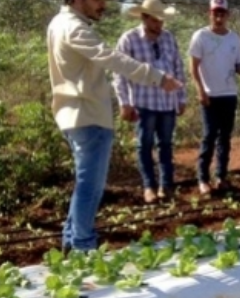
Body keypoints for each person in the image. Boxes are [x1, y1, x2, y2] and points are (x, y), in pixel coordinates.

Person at [47, 0, 182, 251]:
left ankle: (71, 239)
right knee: (91, 188)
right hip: (88, 116)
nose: (104, 4)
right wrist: (157, 77)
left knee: (84, 184)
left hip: (76, 116)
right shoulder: (74, 28)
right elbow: (111, 58)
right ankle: (82, 248)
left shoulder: (59, 23)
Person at [113, 0, 187, 203]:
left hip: (167, 102)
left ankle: (166, 186)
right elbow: (119, 74)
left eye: (161, 20)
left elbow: (178, 68)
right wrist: (124, 102)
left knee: (166, 144)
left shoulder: (169, 38)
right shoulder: (129, 39)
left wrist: (181, 97)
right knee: (144, 145)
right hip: (143, 103)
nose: (159, 24)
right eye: (155, 20)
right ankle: (148, 187)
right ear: (144, 17)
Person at [189, 0, 240, 195]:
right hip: (209, 94)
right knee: (209, 136)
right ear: (210, 14)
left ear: (227, 15)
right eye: (215, 13)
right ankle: (202, 178)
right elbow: (193, 67)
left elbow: (238, 67)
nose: (218, 18)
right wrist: (200, 90)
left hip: (229, 94)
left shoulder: (234, 39)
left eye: (222, 14)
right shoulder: (201, 36)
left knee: (225, 137)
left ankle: (221, 176)